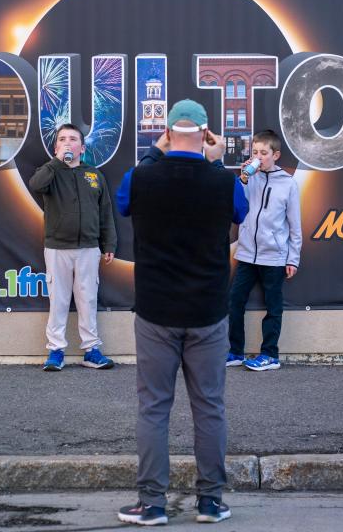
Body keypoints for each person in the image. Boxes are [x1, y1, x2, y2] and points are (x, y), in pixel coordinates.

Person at [115, 99, 248, 526]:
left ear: (168, 132)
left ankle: (152, 504)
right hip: (208, 310)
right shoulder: (222, 182)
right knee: (209, 407)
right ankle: (210, 502)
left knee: (153, 408)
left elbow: (122, 204)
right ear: (208, 134)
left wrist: (156, 152)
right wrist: (216, 160)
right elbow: (241, 213)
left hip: (156, 310)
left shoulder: (141, 176)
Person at [28, 123, 117, 372]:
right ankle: (56, 350)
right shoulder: (50, 171)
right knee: (59, 299)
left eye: (73, 139)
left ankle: (91, 350)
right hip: (57, 247)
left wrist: (108, 243)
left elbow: (105, 213)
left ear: (82, 147)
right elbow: (36, 185)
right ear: (56, 146)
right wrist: (57, 162)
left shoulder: (94, 175)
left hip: (89, 247)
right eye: (63, 139)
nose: (68, 143)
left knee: (87, 298)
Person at [227, 129, 302, 371]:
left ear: (275, 155)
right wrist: (244, 179)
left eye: (263, 153)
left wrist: (293, 259)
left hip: (275, 256)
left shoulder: (288, 184)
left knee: (273, 306)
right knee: (234, 301)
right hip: (247, 253)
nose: (258, 156)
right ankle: (235, 351)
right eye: (255, 152)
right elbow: (239, 207)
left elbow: (294, 225)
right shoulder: (250, 179)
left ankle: (270, 355)